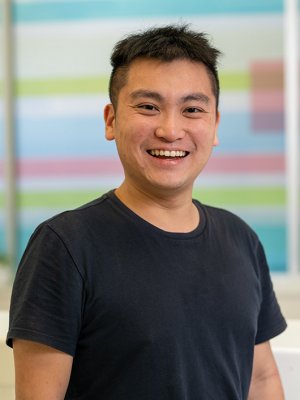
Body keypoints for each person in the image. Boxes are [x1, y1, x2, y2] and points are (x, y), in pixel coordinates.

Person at [7, 25, 286, 399]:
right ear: (111, 120)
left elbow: (261, 379)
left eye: (192, 109)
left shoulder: (240, 239)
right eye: (148, 107)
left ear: (215, 124)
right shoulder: (64, 246)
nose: (171, 130)